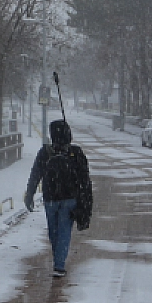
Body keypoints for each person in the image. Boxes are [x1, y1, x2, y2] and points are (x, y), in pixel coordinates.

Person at [24, 119, 93, 278]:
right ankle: (59, 264)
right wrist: (86, 202)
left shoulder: (45, 152)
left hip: (50, 198)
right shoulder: (76, 153)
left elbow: (35, 175)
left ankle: (58, 259)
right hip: (70, 199)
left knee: (53, 231)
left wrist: (30, 194)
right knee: (64, 231)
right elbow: (85, 180)